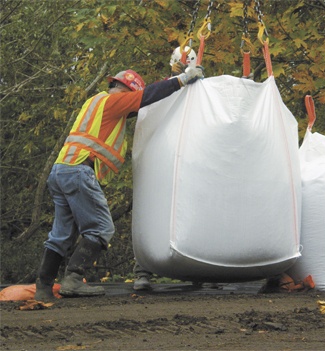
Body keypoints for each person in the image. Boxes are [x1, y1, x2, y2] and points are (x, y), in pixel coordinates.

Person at [34, 58, 204, 301]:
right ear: (127, 90)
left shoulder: (95, 102)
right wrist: (182, 79)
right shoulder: (114, 102)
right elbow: (147, 96)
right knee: (102, 228)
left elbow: (145, 102)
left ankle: (43, 287)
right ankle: (72, 279)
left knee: (61, 234)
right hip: (79, 171)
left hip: (61, 171)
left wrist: (173, 78)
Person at [132, 46, 199, 292]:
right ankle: (143, 270)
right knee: (152, 209)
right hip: (162, 161)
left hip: (190, 163)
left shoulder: (202, 91)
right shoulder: (164, 91)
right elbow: (150, 108)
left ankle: (199, 267)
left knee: (193, 211)